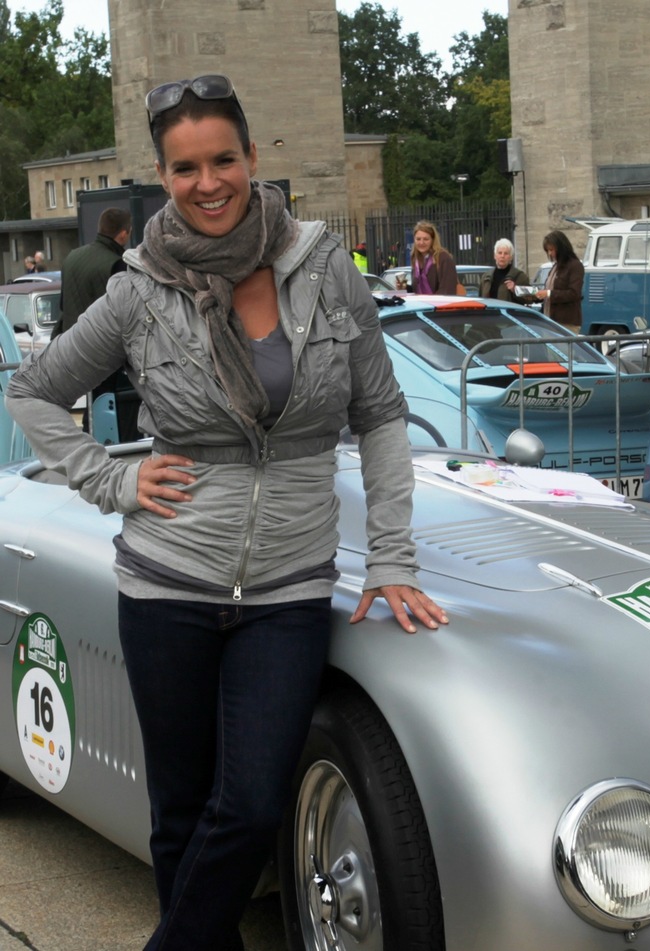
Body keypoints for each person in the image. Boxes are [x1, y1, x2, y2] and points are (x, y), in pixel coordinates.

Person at [5, 73, 447, 951]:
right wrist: (113, 481)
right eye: (184, 167)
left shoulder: (323, 268)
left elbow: (382, 414)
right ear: (162, 176)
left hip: (285, 587)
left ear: (253, 158)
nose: (207, 183)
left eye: (222, 160)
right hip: (166, 583)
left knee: (248, 804)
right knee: (177, 811)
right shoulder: (137, 289)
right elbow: (37, 391)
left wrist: (392, 555)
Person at [55, 208, 132, 337]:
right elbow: (124, 313)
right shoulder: (117, 264)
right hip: (101, 345)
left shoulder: (71, 257)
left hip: (69, 342)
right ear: (123, 234)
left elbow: (63, 304)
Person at [533, 230, 583, 330]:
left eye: (551, 250)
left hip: (566, 322)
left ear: (561, 247)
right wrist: (535, 295)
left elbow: (574, 293)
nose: (550, 254)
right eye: (548, 251)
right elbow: (549, 290)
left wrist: (548, 294)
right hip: (549, 320)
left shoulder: (575, 265)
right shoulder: (555, 266)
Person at [399, 220, 457, 294]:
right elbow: (417, 291)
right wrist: (404, 287)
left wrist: (430, 302)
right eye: (418, 239)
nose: (421, 242)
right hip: (422, 304)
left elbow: (447, 290)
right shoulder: (415, 259)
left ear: (433, 240)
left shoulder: (443, 258)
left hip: (438, 304)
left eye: (426, 239)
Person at [480, 237, 530, 301]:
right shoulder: (486, 277)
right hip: (490, 311)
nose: (502, 256)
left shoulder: (520, 276)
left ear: (511, 257)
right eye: (500, 253)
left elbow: (530, 298)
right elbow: (481, 299)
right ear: (495, 256)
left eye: (506, 253)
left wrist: (515, 289)